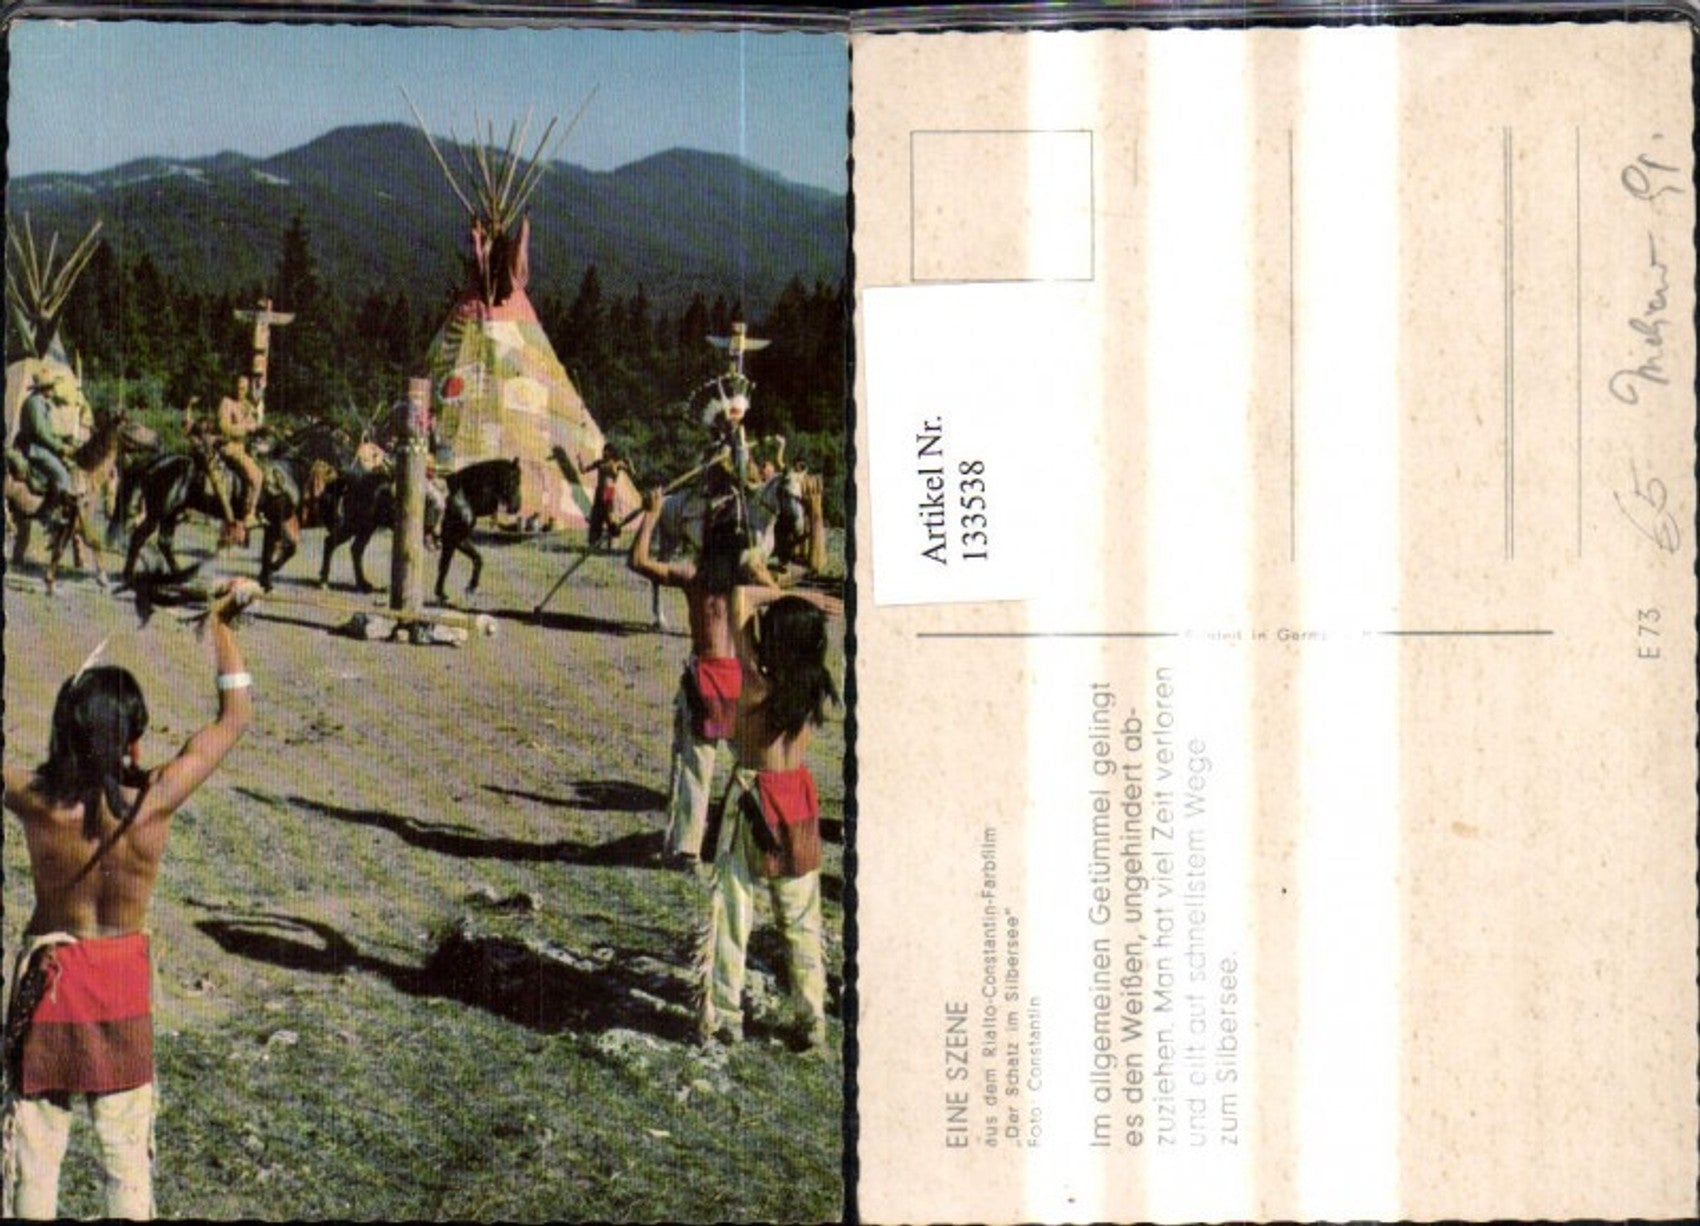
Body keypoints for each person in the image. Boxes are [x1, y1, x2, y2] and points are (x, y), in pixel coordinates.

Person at [2, 580, 257, 1220]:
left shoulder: (35, 801)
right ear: (132, 740)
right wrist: (221, 625)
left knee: (37, 1154)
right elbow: (235, 718)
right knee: (125, 1157)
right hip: (120, 982)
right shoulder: (154, 802)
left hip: (52, 980)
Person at [697, 593, 842, 1052]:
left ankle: (725, 1015)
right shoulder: (812, 686)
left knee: (732, 909)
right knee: (801, 919)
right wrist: (810, 605)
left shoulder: (754, 685)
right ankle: (811, 1017)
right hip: (796, 796)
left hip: (754, 797)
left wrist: (785, 595)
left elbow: (739, 597)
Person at [629, 473, 759, 868]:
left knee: (697, 766)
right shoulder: (745, 583)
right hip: (732, 681)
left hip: (710, 679)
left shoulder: (695, 576)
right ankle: (724, 842)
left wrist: (651, 515)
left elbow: (638, 561)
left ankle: (691, 847)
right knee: (748, 764)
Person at [13, 375, 77, 510]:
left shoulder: (40, 402)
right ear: (44, 388)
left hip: (39, 447)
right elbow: (40, 432)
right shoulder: (35, 403)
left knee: (68, 466)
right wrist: (60, 447)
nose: (54, 390)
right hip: (35, 449)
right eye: (51, 387)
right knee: (62, 476)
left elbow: (46, 430)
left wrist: (64, 438)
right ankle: (49, 513)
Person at [215, 374, 265, 529]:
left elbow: (254, 424)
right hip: (230, 447)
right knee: (257, 476)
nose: (240, 391)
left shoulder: (247, 405)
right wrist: (246, 428)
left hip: (244, 448)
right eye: (238, 388)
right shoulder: (226, 402)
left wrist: (259, 427)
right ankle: (250, 514)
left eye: (243, 389)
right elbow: (224, 428)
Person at [582, 443, 632, 552]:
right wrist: (579, 460)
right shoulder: (599, 462)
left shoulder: (617, 463)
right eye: (604, 450)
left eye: (607, 450)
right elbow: (583, 470)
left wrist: (629, 463)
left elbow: (632, 472)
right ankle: (594, 543)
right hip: (599, 492)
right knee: (596, 517)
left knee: (610, 517)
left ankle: (613, 543)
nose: (604, 452)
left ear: (611, 452)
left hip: (609, 491)